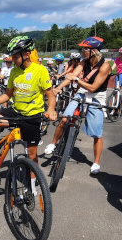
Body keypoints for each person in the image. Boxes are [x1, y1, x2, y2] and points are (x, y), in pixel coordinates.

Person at [0, 36, 57, 179]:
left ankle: (33, 187)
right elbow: (8, 95)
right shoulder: (14, 71)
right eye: (12, 57)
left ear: (27, 54)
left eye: (15, 56)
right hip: (15, 112)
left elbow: (51, 95)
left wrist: (51, 110)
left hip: (33, 117)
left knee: (32, 155)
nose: (13, 60)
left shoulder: (40, 70)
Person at [44, 36, 111, 174]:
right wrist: (59, 88)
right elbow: (71, 76)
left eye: (85, 49)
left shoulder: (104, 66)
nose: (82, 51)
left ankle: (96, 163)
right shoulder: (83, 62)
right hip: (81, 93)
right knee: (64, 119)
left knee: (96, 133)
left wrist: (77, 80)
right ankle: (53, 143)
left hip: (96, 97)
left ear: (94, 51)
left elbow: (93, 88)